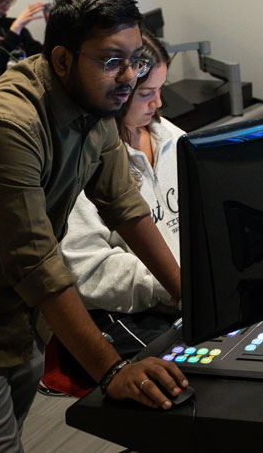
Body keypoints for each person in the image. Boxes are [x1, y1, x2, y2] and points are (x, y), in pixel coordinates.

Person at [0, 0, 189, 453]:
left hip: (18, 313)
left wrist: (188, 295)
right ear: (64, 60)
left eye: (136, 60)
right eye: (112, 61)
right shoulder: (6, 124)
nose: (128, 76)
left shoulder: (95, 105)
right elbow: (37, 264)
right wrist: (112, 372)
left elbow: (125, 208)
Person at [61, 29, 181, 346]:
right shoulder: (85, 161)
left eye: (160, 90)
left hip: (179, 295)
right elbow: (88, 269)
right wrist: (168, 285)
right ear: (119, 92)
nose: (158, 102)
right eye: (146, 94)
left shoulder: (175, 138)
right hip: (127, 312)